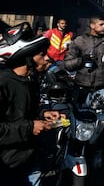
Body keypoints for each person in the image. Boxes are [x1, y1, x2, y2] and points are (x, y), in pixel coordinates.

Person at [0, 22, 66, 186]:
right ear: (26, 57)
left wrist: (43, 115)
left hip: (29, 159)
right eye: (41, 55)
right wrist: (30, 127)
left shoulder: (31, 81)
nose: (46, 58)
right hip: (5, 166)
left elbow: (21, 113)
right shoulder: (3, 83)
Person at [63, 15, 104, 165]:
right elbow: (67, 64)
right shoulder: (79, 41)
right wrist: (81, 60)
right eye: (101, 24)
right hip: (81, 89)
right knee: (76, 120)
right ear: (92, 25)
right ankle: (70, 151)